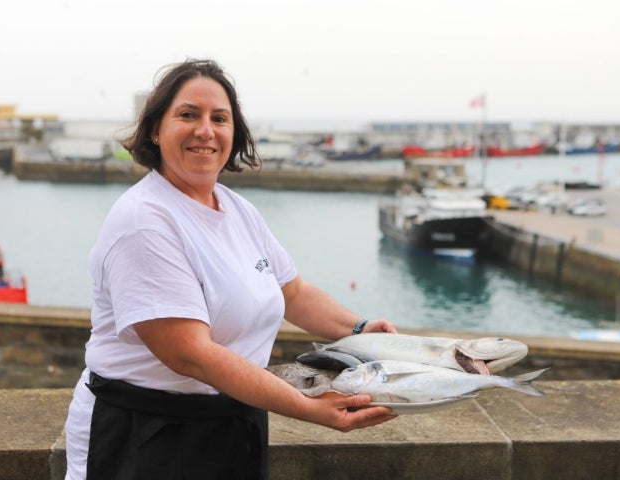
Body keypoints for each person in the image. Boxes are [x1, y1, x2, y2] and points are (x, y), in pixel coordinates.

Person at [64, 59, 398, 480]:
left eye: (219, 118)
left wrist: (360, 330)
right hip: (145, 434)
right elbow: (191, 355)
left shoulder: (236, 208)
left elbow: (292, 293)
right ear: (155, 129)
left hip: (229, 422)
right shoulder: (143, 220)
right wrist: (310, 409)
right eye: (188, 115)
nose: (206, 130)